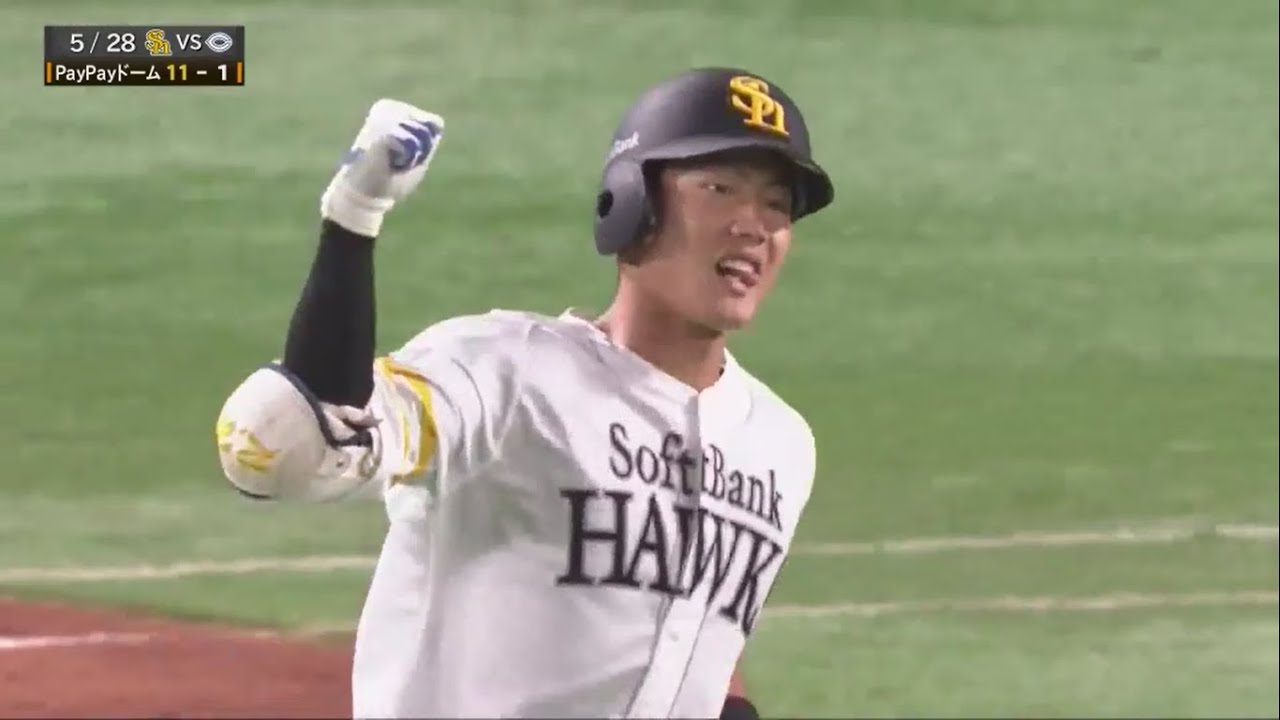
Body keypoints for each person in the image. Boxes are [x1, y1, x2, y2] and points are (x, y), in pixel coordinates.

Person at [214, 66, 835, 719]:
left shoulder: (780, 444)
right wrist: (354, 217)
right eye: (720, 188)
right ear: (632, 205)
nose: (753, 225)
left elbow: (697, 631)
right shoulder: (505, 373)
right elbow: (314, 440)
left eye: (777, 204)